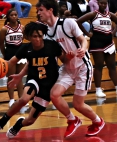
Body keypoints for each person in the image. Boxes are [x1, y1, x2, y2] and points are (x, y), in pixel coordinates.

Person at [36, 0, 104, 137]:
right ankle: (72, 120)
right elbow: (62, 59)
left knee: (78, 104)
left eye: (41, 10)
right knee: (54, 95)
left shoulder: (68, 23)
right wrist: (67, 57)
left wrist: (83, 50)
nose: (38, 13)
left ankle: (98, 121)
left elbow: (84, 40)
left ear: (50, 10)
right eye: (37, 10)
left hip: (83, 67)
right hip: (68, 67)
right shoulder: (47, 33)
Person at [0, 22, 66, 138]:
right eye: (35, 36)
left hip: (49, 85)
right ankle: (1, 122)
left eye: (40, 36)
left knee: (30, 120)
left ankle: (18, 125)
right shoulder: (26, 48)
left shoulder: (52, 46)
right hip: (34, 79)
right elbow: (10, 62)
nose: (38, 39)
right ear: (29, 37)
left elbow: (65, 60)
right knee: (24, 99)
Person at [77, 0, 117, 97]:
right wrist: (87, 34)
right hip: (97, 42)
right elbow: (78, 21)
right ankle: (98, 90)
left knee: (112, 65)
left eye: (105, 3)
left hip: (109, 42)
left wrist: (113, 33)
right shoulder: (93, 14)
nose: (103, 5)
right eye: (101, 3)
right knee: (99, 66)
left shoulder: (110, 14)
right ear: (98, 4)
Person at [0, 8, 26, 107]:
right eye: (12, 15)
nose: (14, 17)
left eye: (15, 15)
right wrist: (5, 55)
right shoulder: (4, 29)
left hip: (20, 53)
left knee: (19, 77)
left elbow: (22, 40)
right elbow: (1, 44)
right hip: (10, 53)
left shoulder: (22, 27)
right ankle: (11, 99)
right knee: (11, 77)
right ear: (8, 17)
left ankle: (21, 99)